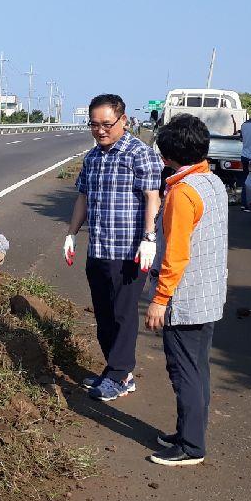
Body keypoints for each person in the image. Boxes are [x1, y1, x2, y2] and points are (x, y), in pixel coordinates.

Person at [64, 93, 163, 402]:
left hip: (129, 251)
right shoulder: (93, 157)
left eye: (107, 124)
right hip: (99, 248)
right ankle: (118, 370)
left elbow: (152, 197)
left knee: (123, 314)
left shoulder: (139, 154)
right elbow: (83, 197)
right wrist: (71, 234)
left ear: (123, 120)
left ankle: (120, 374)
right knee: (104, 313)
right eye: (94, 124)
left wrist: (149, 237)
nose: (100, 130)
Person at [144, 114, 228, 466]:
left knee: (185, 372)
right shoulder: (212, 181)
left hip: (186, 298)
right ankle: (188, 432)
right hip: (209, 292)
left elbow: (176, 254)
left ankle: (191, 446)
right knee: (198, 369)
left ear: (167, 156)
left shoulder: (182, 193)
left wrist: (159, 300)